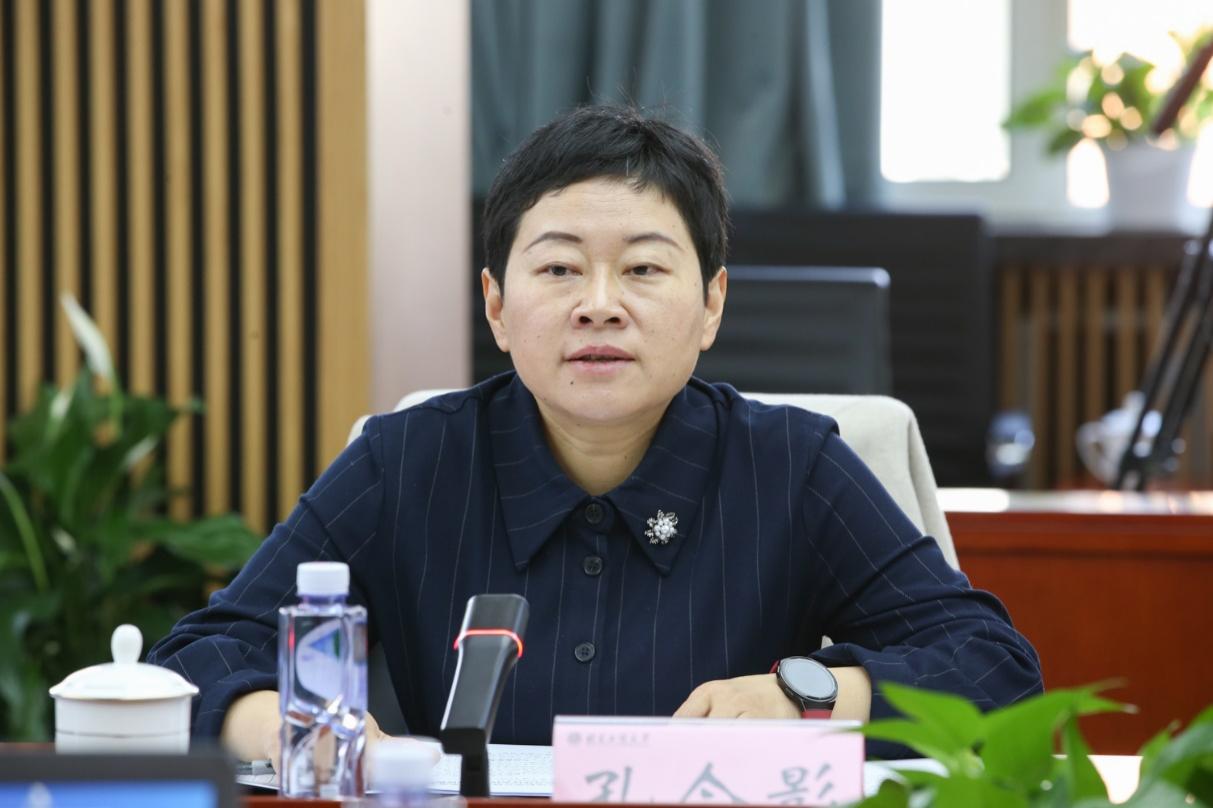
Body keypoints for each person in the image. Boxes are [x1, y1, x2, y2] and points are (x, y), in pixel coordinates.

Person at [147, 105, 1042, 763]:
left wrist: (801, 697)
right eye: (559, 268)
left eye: (644, 268)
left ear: (711, 304)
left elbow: (992, 670)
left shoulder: (791, 465)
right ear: (496, 306)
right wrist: (307, 731)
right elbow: (195, 660)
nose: (599, 305)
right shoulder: (403, 461)